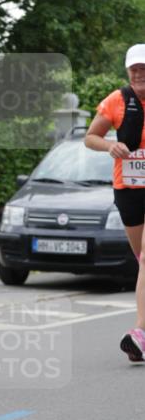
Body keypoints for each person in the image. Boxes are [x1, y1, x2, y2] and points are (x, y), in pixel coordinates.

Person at [85, 43, 145, 362]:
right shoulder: (117, 100)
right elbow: (90, 137)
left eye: (144, 69)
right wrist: (109, 145)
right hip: (128, 189)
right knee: (141, 259)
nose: (139, 74)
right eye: (134, 69)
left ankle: (140, 334)